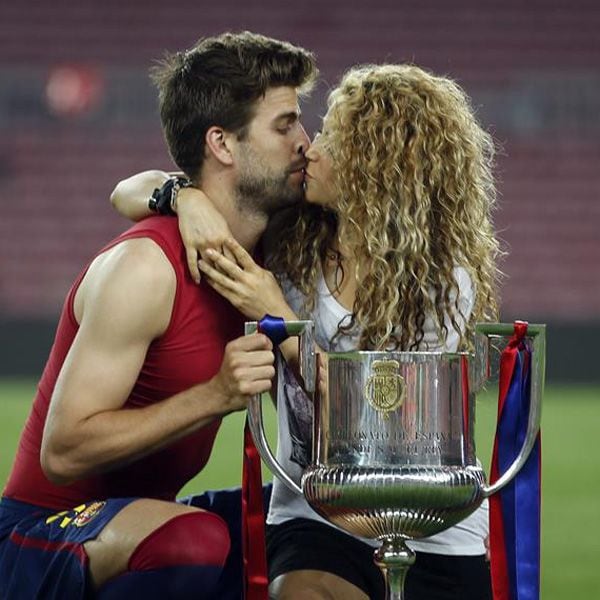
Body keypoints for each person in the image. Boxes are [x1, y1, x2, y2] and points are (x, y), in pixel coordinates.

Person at [111, 64, 501, 600]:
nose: (311, 149)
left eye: (334, 140)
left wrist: (281, 319)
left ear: (375, 167)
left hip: (429, 530)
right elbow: (126, 191)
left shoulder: (439, 281)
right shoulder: (291, 241)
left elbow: (382, 426)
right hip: (317, 517)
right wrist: (186, 199)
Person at [0, 31, 317, 600]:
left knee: (322, 525)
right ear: (221, 143)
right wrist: (216, 395)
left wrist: (182, 193)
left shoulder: (267, 262)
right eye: (285, 124)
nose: (306, 142)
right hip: (37, 539)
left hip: (140, 524)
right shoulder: (146, 269)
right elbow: (63, 452)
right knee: (192, 543)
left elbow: (132, 187)